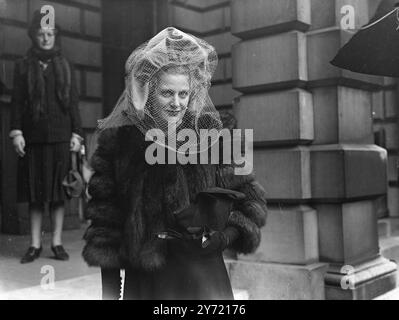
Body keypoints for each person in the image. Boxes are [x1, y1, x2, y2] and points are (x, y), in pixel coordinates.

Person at [82, 27, 267, 300]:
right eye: (167, 93)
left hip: (203, 281)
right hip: (147, 284)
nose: (176, 103)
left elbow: (251, 204)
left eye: (184, 94)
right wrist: (111, 295)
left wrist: (224, 238)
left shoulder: (216, 137)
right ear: (149, 92)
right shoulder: (119, 143)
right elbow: (104, 228)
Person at [10, 11, 83, 263]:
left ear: (55, 36)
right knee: (35, 195)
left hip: (61, 138)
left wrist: (77, 133)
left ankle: (57, 243)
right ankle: (34, 245)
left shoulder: (66, 65)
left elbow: (73, 103)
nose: (45, 38)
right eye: (41, 34)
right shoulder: (23, 66)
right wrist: (17, 133)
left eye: (50, 34)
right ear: (34, 36)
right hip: (32, 139)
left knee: (57, 194)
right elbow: (17, 103)